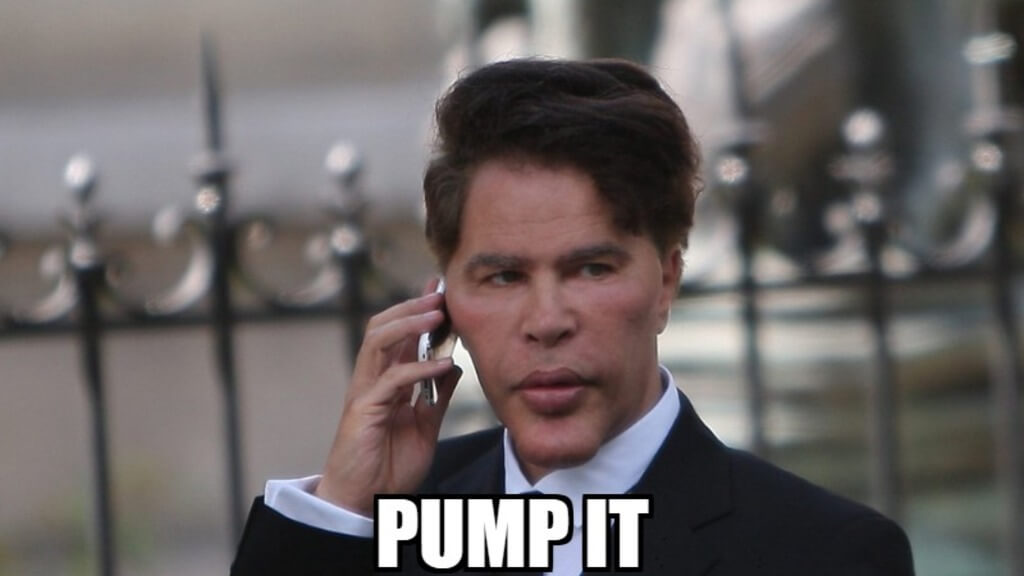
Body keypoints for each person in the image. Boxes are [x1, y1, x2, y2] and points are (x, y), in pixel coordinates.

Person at [231, 58, 914, 575]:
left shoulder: (823, 553)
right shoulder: (380, 528)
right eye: (504, 277)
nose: (547, 321)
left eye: (591, 269)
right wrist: (343, 506)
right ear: (442, 303)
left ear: (666, 280)